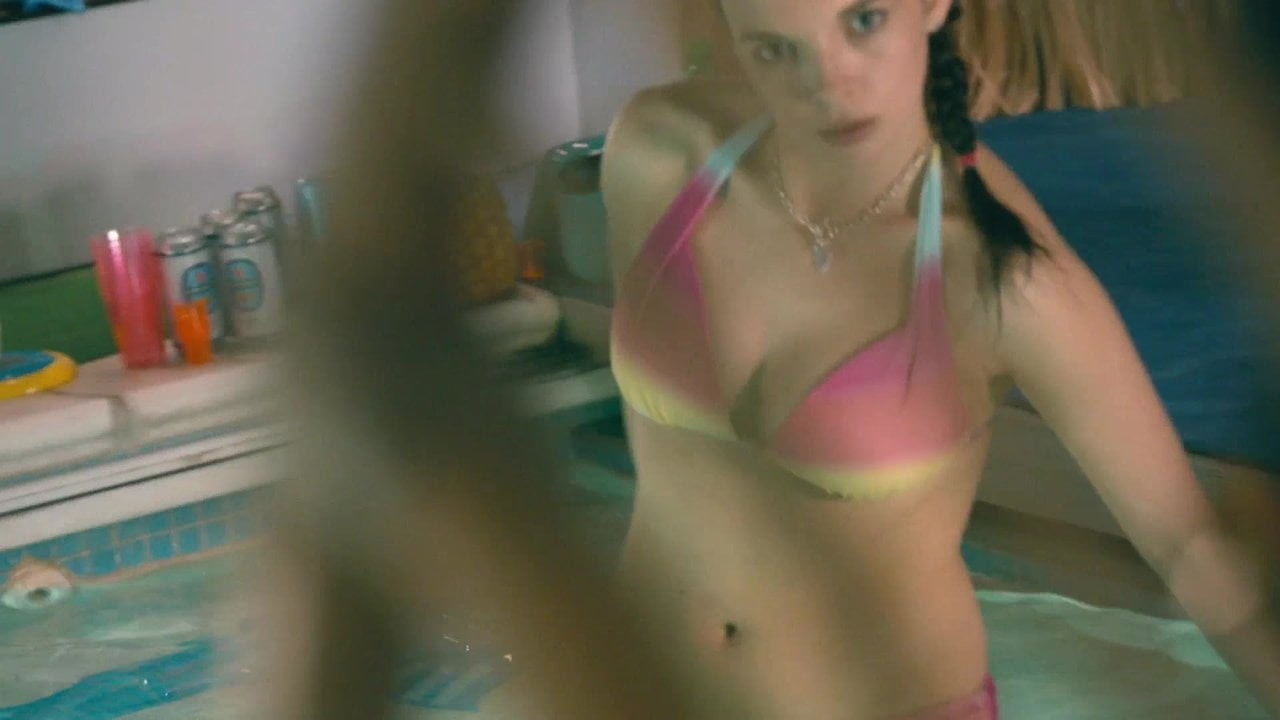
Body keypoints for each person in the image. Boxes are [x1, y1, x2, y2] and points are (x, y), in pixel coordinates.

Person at [602, 0, 1280, 717]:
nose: (829, 85)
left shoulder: (1002, 277)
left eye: (863, 22)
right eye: (777, 49)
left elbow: (1188, 545)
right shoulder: (657, 153)